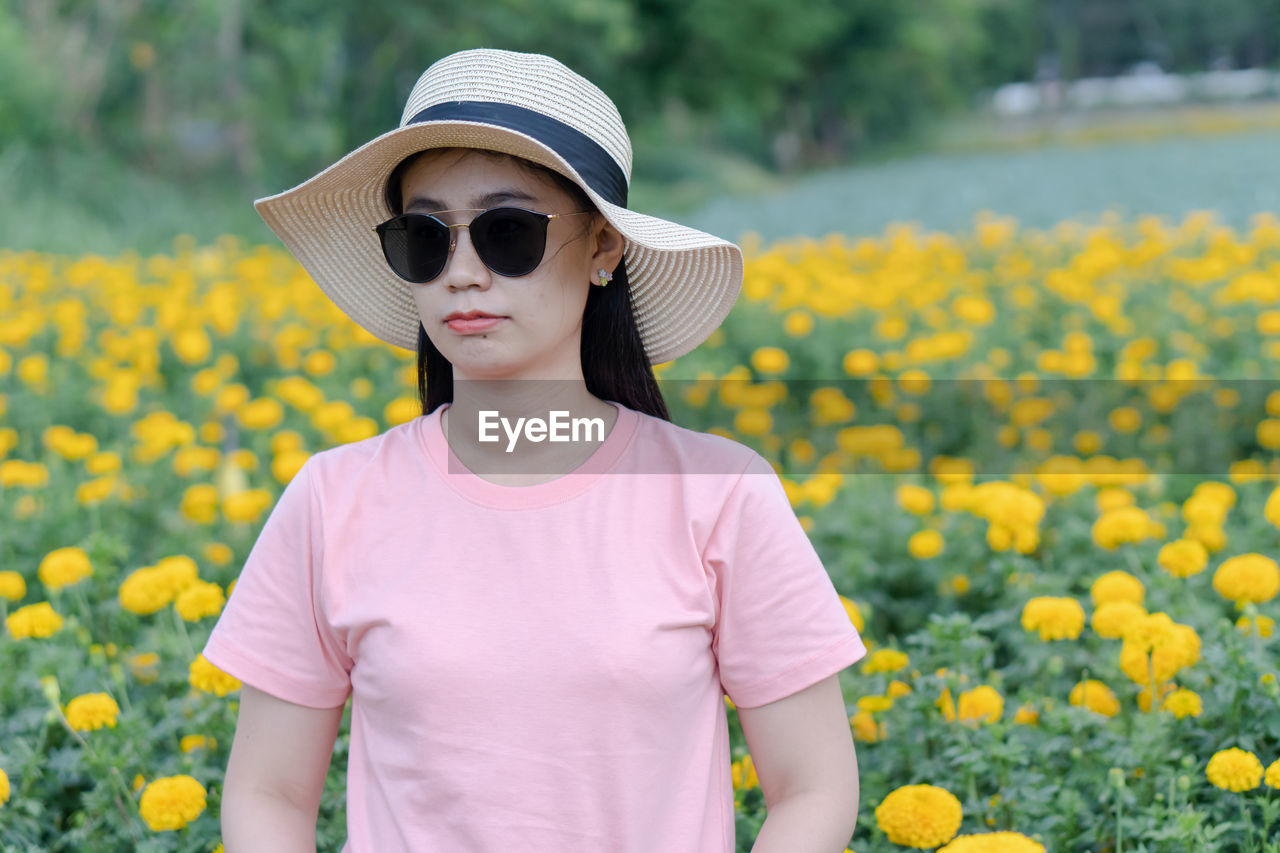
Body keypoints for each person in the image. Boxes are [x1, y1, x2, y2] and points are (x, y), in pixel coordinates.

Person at [203, 48, 866, 853]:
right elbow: (267, 794)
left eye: (506, 232)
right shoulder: (331, 498)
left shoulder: (720, 494)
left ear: (602, 250)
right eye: (425, 237)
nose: (463, 274)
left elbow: (814, 787)